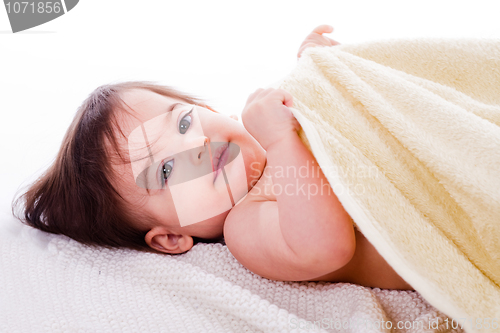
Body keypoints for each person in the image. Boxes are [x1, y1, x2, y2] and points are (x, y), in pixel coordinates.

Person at [14, 25, 413, 290]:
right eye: (166, 169)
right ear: (172, 237)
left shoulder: (273, 120)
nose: (197, 148)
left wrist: (320, 71)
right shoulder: (246, 223)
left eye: (184, 123)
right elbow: (324, 248)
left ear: (214, 111)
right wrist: (279, 142)